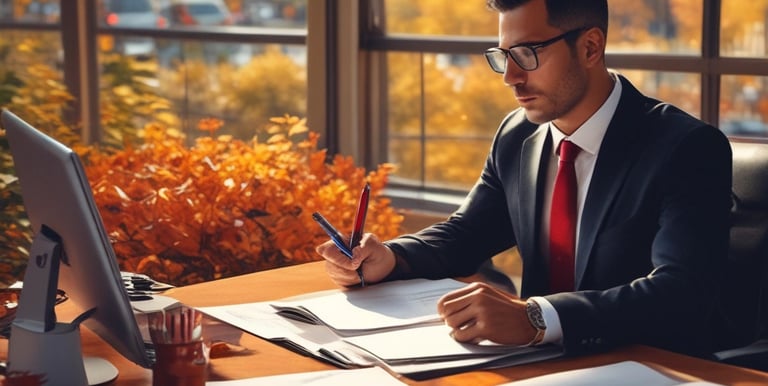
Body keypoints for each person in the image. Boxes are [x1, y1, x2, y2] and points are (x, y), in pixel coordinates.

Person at [316, 0, 732, 358]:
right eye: (503, 55)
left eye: (528, 53)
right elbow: (467, 233)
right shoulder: (518, 136)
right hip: (537, 366)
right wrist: (391, 257)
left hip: (650, 368)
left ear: (590, 47)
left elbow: (684, 293)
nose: (510, 76)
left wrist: (535, 317)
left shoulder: (685, 148)